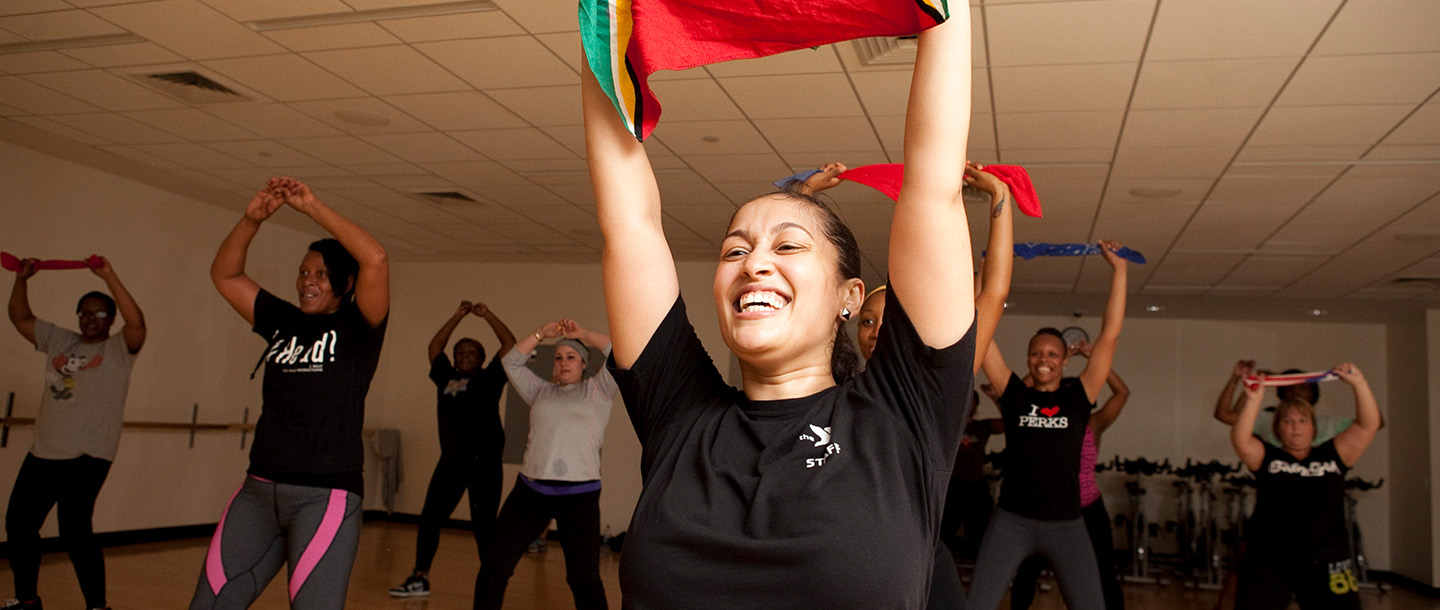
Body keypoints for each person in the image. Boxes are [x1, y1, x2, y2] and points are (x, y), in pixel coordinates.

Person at [586, 5, 977, 607]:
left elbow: (933, 190)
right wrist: (603, 29)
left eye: (788, 245)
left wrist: (947, 12)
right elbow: (629, 225)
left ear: (850, 297)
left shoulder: (901, 415)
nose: (753, 263)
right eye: (733, 250)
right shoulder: (680, 415)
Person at [190, 177, 389, 610]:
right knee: (209, 605)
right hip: (258, 491)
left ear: (346, 283)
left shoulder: (359, 329)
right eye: (302, 273)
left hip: (325, 495)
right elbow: (224, 274)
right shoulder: (282, 320)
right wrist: (250, 220)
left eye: (320, 274)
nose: (307, 282)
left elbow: (375, 258)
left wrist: (311, 205)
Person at [841, 156, 1014, 610]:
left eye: (888, 320)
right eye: (867, 321)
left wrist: (1000, 199)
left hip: (919, 555)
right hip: (838, 553)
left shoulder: (937, 388)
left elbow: (992, 292)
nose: (876, 329)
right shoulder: (833, 382)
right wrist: (802, 200)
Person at [968, 240, 1129, 610]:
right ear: (1028, 358)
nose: (1044, 360)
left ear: (1064, 361)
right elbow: (979, 325)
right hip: (1011, 521)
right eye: (1037, 353)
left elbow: (1110, 335)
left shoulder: (1079, 397)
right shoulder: (1014, 395)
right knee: (977, 603)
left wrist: (1118, 271)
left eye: (1053, 354)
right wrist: (980, 273)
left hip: (1067, 524)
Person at [4, 256, 145, 610]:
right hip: (43, 452)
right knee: (18, 526)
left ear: (110, 319)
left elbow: (137, 321)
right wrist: (22, 280)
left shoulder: (117, 349)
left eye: (99, 313)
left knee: (74, 531)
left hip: (87, 456)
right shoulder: (59, 340)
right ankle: (27, 601)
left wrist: (108, 274)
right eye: (84, 312)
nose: (90, 318)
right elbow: (20, 318)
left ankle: (98, 607)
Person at [475, 318, 615, 610]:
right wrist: (540, 334)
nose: (564, 363)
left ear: (584, 363)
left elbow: (619, 352)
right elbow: (511, 362)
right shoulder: (539, 391)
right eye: (559, 357)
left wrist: (584, 334)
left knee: (582, 578)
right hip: (530, 492)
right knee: (494, 566)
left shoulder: (598, 390)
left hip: (580, 496)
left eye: (571, 357)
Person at [389, 301, 515, 598]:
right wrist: (456, 317)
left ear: (481, 358)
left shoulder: (490, 378)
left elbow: (509, 343)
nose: (464, 355)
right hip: (452, 462)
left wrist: (487, 316)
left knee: (484, 526)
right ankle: (420, 578)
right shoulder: (445, 377)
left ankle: (491, 586)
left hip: (484, 464)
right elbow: (435, 346)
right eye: (460, 352)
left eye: (471, 352)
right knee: (430, 517)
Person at [1230, 364, 1380, 609]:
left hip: (1327, 558)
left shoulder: (1334, 455)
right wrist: (1253, 398)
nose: (1295, 426)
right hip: (1268, 558)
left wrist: (1359, 384)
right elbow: (1241, 439)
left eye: (1302, 420)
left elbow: (1368, 425)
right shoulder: (1268, 457)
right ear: (1278, 428)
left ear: (1313, 427)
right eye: (1287, 421)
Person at [1010, 341, 1131, 610]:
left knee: (1103, 573)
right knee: (1027, 573)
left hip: (1088, 508)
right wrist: (1048, 366)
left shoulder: (1095, 423)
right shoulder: (1041, 414)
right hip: (1046, 507)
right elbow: (1019, 390)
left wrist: (1094, 357)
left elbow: (1122, 393)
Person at [1214, 361, 1353, 447]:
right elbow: (1224, 414)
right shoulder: (1269, 420)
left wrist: (1358, 384)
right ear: (1281, 394)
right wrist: (1243, 381)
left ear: (1313, 393)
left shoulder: (1329, 424)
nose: (1295, 392)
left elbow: (1371, 424)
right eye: (1290, 388)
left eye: (1302, 387)